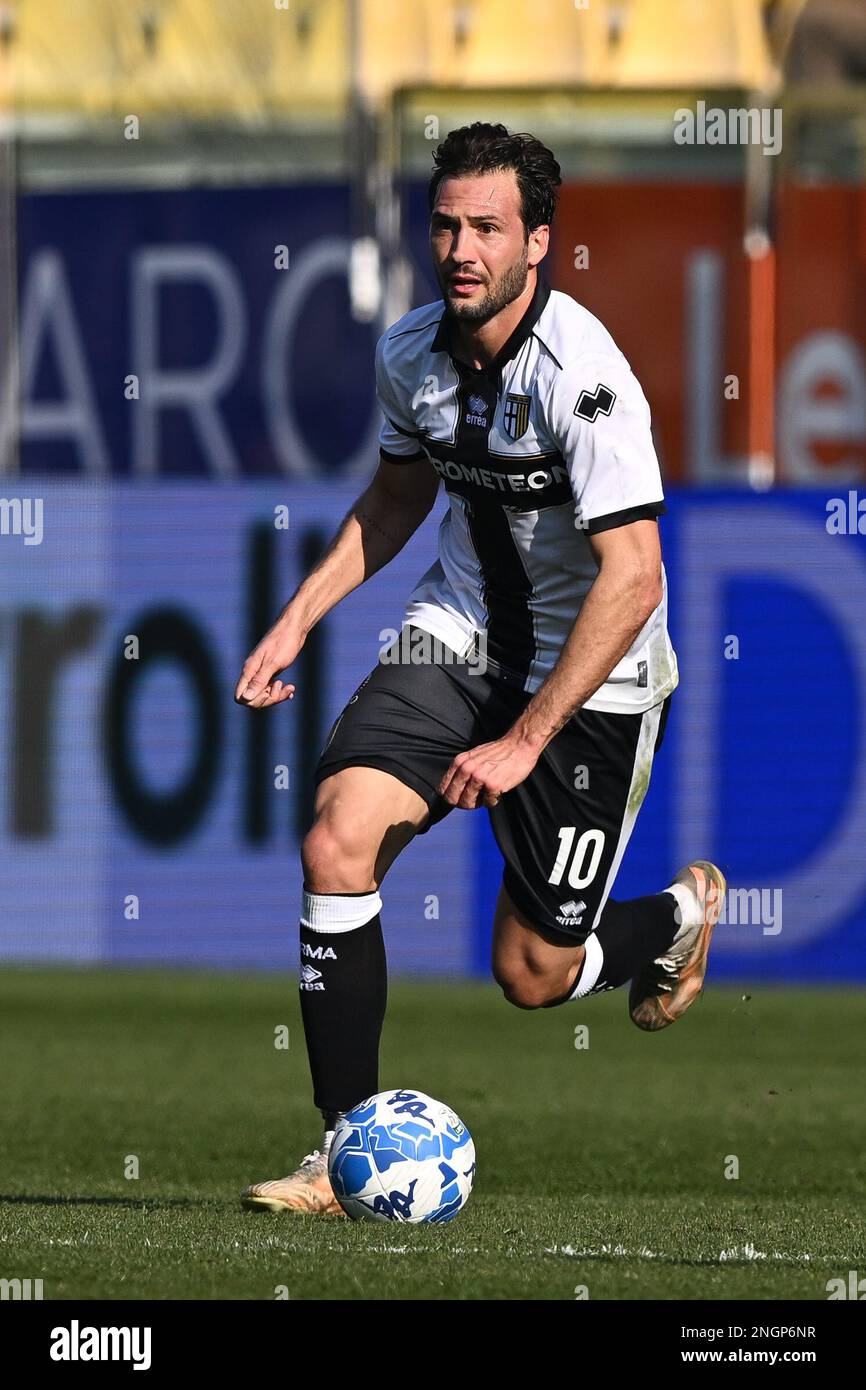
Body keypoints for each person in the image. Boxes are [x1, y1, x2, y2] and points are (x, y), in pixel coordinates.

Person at [234, 122, 726, 1216]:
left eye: (485, 228)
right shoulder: (411, 351)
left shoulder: (584, 379)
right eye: (445, 224)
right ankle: (338, 1146)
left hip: (589, 681)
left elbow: (633, 577)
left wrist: (524, 738)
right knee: (335, 837)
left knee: (531, 974)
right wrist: (299, 617)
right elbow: (400, 494)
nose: (459, 247)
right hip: (455, 635)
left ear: (537, 242)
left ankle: (676, 919)